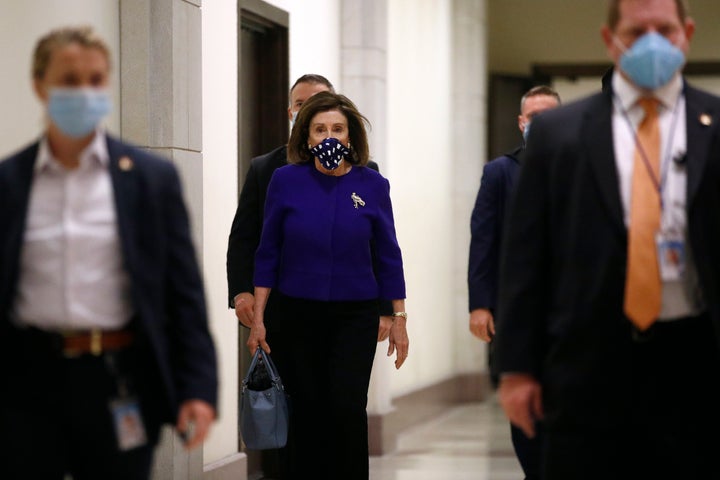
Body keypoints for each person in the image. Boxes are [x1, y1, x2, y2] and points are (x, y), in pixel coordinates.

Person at [493, 1, 720, 478]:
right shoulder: (559, 133)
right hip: (586, 360)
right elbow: (526, 258)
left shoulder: (714, 123)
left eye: (665, 29)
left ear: (688, 32)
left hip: (696, 358)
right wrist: (516, 368)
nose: (652, 42)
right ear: (609, 38)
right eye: (637, 32)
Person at [0, 25, 217, 479]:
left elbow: (183, 293)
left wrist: (197, 387)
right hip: (27, 379)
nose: (84, 92)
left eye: (95, 80)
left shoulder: (150, 179)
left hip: (121, 377)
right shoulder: (10, 183)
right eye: (69, 80)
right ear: (40, 85)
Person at [225, 74, 393, 478]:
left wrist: (389, 310)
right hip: (286, 305)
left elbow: (380, 244)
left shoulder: (365, 173)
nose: (318, 120)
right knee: (298, 404)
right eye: (304, 107)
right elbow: (248, 236)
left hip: (350, 306)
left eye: (324, 108)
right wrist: (242, 293)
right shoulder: (268, 169)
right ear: (293, 115)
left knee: (343, 404)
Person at [467, 85, 560, 480]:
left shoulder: (585, 166)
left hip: (573, 308)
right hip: (519, 310)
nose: (540, 124)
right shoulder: (499, 173)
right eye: (533, 117)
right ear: (522, 122)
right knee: (524, 400)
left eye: (549, 116)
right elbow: (483, 240)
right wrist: (480, 304)